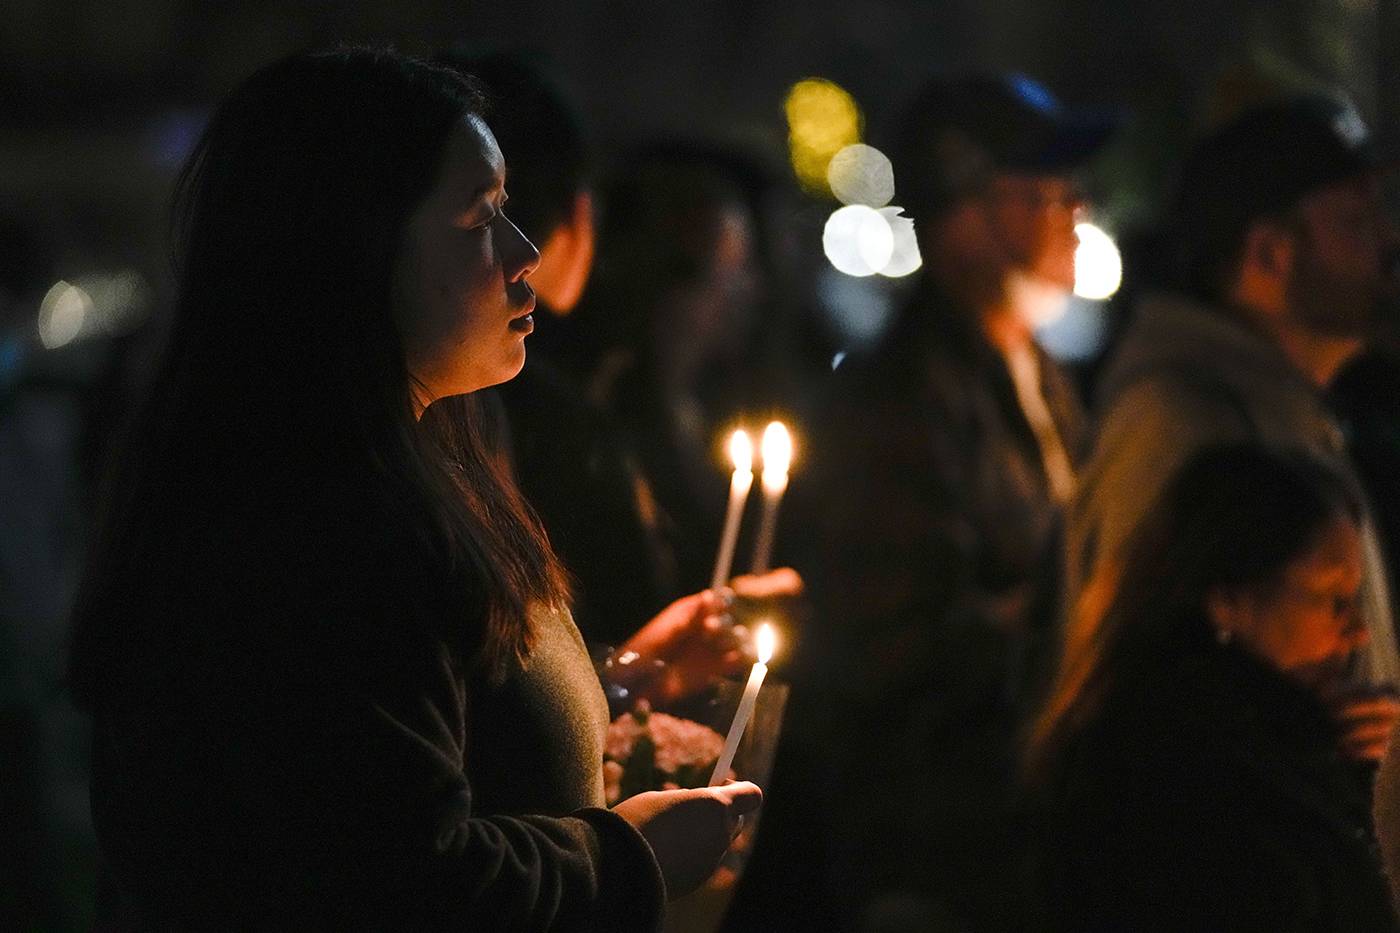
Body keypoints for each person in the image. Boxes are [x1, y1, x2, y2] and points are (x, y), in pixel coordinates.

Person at [65, 47, 760, 931]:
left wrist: (621, 689)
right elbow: (396, 880)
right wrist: (633, 858)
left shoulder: (423, 457)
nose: (525, 251)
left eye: (510, 209)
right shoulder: (313, 531)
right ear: (356, 247)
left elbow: (439, 734)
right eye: (479, 219)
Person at [792, 71, 1116, 932]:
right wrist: (1082, 616)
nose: (1075, 207)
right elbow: (897, 652)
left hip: (1030, 840)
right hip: (943, 861)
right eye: (1045, 189)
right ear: (964, 214)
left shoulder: (1039, 371)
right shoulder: (900, 402)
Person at [1068, 93, 1400, 685]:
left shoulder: (1281, 411)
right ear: (1270, 252)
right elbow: (1141, 695)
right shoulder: (1178, 425)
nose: (1388, 240)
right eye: (1355, 219)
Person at [1024, 443, 1399, 930]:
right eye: (1331, 597)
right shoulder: (1179, 780)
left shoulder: (1297, 742)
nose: (1358, 630)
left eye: (1354, 599)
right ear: (1226, 600)